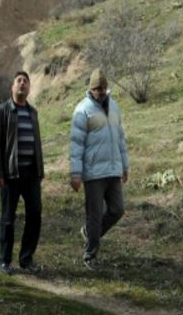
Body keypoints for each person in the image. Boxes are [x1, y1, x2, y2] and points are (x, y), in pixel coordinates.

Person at [69, 69, 129, 270]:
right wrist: (76, 173)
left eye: (103, 87)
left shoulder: (115, 107)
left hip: (113, 170)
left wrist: (125, 166)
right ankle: (90, 254)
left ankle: (89, 233)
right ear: (90, 89)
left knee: (117, 209)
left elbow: (120, 139)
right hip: (93, 173)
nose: (101, 91)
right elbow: (76, 145)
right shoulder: (82, 110)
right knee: (94, 215)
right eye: (97, 88)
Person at [0, 71, 44, 274]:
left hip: (31, 174)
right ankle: (5, 260)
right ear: (12, 87)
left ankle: (26, 258)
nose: (22, 84)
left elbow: (37, 143)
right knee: (8, 218)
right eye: (18, 81)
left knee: (35, 214)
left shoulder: (33, 112)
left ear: (29, 88)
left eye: (25, 81)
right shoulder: (2, 111)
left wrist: (40, 170)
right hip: (10, 174)